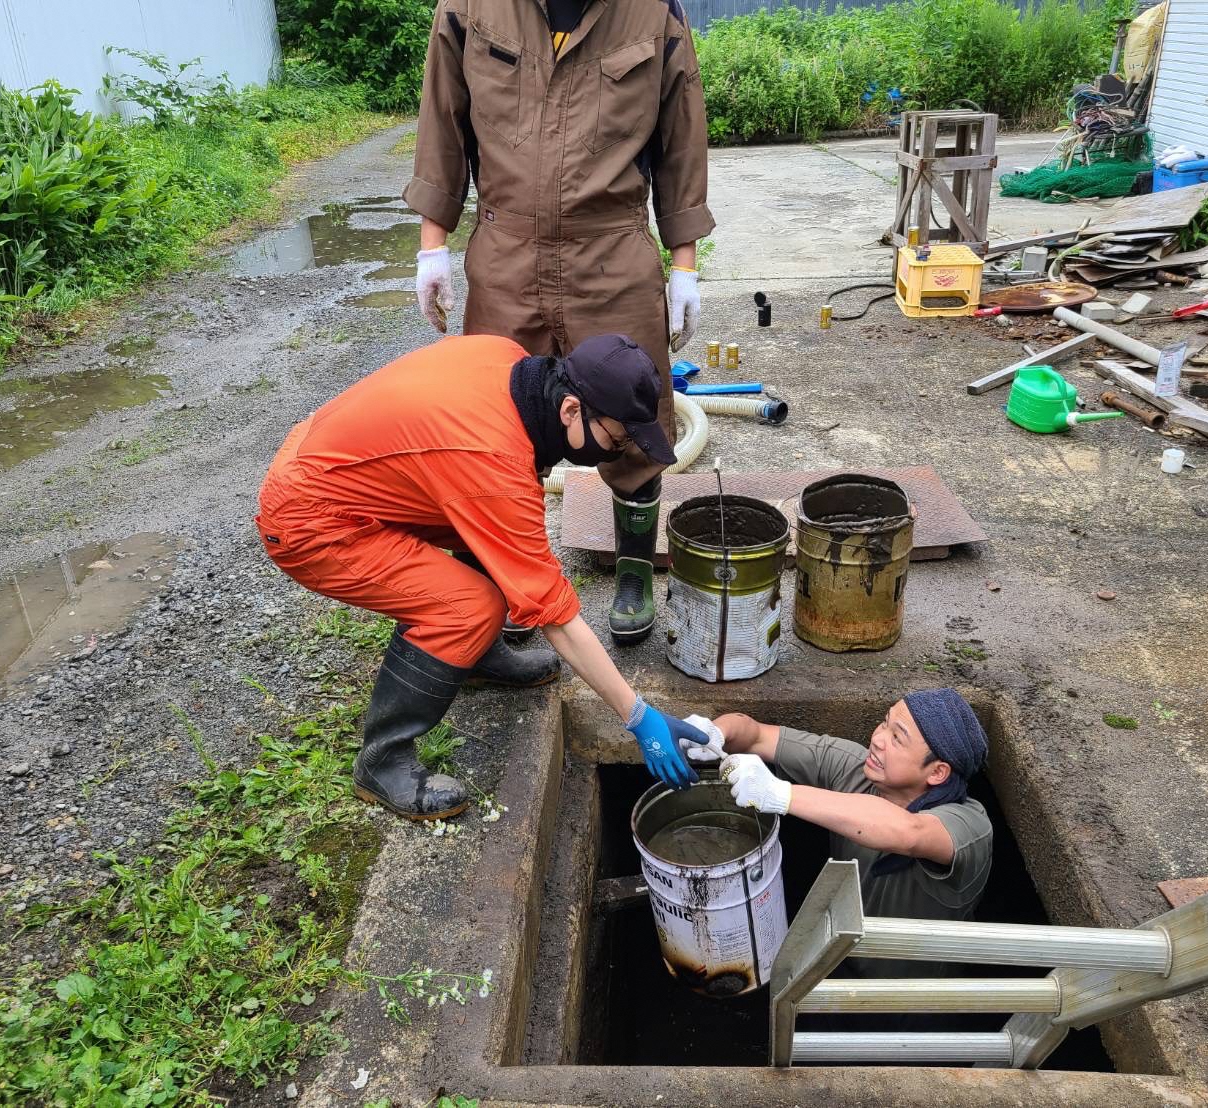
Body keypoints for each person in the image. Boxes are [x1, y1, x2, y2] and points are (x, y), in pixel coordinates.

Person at [256, 332, 711, 820]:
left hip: (337, 463)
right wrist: (637, 716)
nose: (616, 453)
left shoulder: (510, 362)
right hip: (310, 518)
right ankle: (382, 761)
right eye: (615, 439)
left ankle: (473, 655)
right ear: (571, 410)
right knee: (467, 608)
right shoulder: (491, 460)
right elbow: (555, 614)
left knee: (492, 549)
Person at [403, 0, 714, 648]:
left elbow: (681, 140)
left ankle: (631, 573)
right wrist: (433, 244)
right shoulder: (467, 7)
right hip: (506, 253)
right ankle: (496, 588)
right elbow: (443, 125)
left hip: (612, 253)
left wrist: (683, 263)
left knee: (634, 423)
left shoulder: (653, 13)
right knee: (494, 430)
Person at [685, 688, 992, 978]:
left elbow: (908, 832)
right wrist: (714, 733)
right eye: (884, 723)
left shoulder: (969, 825)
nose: (878, 739)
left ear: (937, 772)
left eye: (897, 738)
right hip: (837, 963)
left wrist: (780, 794)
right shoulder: (856, 768)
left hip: (911, 998)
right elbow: (754, 735)